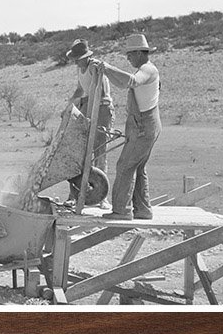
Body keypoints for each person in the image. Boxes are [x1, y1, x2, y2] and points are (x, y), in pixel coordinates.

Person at [96, 33, 161, 220]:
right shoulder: (144, 69)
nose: (128, 58)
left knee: (125, 166)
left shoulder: (147, 69)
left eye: (130, 54)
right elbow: (122, 84)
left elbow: (131, 82)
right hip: (143, 124)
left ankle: (122, 210)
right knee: (137, 167)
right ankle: (143, 209)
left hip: (143, 126)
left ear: (139, 53)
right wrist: (106, 70)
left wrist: (108, 68)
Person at [64, 38, 113, 203]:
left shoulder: (95, 67)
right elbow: (80, 90)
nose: (76, 62)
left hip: (102, 109)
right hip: (88, 106)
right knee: (81, 151)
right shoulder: (80, 69)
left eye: (78, 59)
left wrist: (87, 107)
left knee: (100, 151)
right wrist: (69, 106)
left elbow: (101, 93)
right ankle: (76, 194)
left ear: (86, 57)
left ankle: (101, 197)